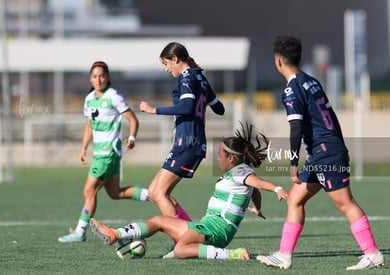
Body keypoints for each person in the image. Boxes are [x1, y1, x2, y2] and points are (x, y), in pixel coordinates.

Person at [256, 35, 384, 270]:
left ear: (278, 61)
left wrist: (293, 163)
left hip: (325, 153)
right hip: (323, 153)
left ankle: (372, 253)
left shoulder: (292, 89)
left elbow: (295, 127)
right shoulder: (311, 81)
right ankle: (284, 254)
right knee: (295, 200)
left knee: (345, 203)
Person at [89, 122, 289, 260]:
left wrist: (277, 188)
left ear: (231, 158)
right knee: (159, 221)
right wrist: (257, 207)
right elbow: (253, 188)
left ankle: (234, 254)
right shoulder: (240, 172)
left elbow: (258, 182)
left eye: (220, 155)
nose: (217, 158)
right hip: (209, 225)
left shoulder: (241, 171)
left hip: (219, 228)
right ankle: (115, 234)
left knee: (181, 249)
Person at [58, 61, 149, 243]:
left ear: (107, 77)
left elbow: (133, 119)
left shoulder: (113, 96)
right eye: (94, 76)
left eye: (102, 75)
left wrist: (131, 139)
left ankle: (79, 231)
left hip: (109, 153)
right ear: (90, 78)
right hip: (100, 153)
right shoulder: (89, 98)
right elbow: (89, 126)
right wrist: (83, 148)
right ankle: (152, 195)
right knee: (114, 193)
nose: (98, 79)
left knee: (88, 190)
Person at [139, 42, 225, 224]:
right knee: (155, 193)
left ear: (175, 59)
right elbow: (220, 108)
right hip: (191, 141)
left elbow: (186, 107)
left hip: (187, 142)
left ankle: (182, 239)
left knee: (159, 193)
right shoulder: (199, 77)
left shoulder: (186, 77)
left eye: (166, 64)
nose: (166, 69)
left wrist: (155, 110)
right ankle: (189, 233)